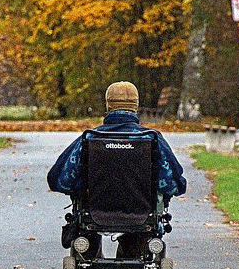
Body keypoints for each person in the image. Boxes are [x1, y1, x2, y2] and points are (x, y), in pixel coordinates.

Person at [47, 81, 187, 257]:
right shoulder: (152, 140)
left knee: (85, 231)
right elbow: (173, 184)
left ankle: (91, 263)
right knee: (140, 236)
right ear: (135, 106)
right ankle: (131, 259)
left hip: (94, 213)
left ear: (108, 106)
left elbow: (59, 180)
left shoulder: (89, 138)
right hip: (141, 215)